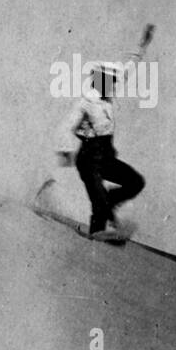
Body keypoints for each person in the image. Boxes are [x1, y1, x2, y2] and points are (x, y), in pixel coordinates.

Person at [55, 62, 145, 237]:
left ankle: (108, 204)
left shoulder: (107, 98)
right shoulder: (86, 102)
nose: (113, 85)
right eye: (109, 82)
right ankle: (97, 236)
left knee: (136, 182)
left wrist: (143, 43)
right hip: (88, 160)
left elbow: (127, 70)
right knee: (99, 204)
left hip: (106, 158)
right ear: (98, 81)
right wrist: (64, 158)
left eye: (113, 82)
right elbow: (66, 127)